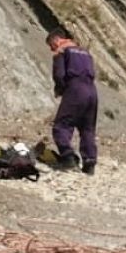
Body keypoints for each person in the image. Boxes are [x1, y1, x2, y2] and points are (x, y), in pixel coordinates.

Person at [47, 30, 99, 175]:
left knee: (61, 125)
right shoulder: (85, 52)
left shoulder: (61, 51)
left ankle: (68, 158)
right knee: (87, 128)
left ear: (56, 40)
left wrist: (60, 89)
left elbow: (59, 74)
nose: (51, 49)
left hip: (75, 88)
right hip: (92, 91)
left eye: (51, 45)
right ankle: (89, 164)